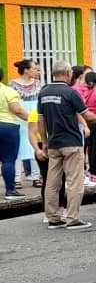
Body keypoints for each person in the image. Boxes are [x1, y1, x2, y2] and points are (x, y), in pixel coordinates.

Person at [37, 61, 96, 229]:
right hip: (71, 143)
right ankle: (72, 218)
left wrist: (44, 142)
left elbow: (40, 119)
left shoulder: (43, 92)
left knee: (52, 182)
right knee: (75, 181)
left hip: (53, 143)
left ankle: (53, 217)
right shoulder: (70, 92)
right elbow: (86, 115)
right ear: (68, 73)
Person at [29, 108, 66, 221]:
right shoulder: (35, 113)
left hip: (57, 144)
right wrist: (37, 150)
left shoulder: (57, 111)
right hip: (43, 146)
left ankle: (60, 208)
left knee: (61, 178)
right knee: (47, 178)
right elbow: (32, 133)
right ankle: (48, 212)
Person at [11, 59, 41, 188]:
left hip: (35, 116)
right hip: (19, 117)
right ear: (26, 70)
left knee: (35, 145)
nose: (36, 71)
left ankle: (36, 176)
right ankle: (16, 178)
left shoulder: (38, 84)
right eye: (34, 68)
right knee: (18, 147)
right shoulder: (12, 84)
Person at [0, 68, 28, 199]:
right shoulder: (8, 91)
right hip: (7, 127)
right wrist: (33, 119)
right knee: (8, 160)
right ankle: (10, 191)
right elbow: (17, 110)